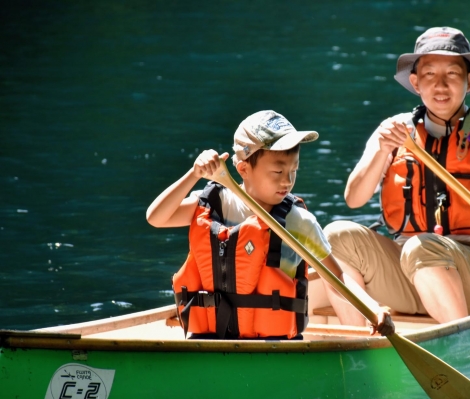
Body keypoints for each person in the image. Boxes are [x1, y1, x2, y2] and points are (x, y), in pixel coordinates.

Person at [323, 26, 470, 326]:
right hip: (409, 269)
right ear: (415, 82)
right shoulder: (395, 132)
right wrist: (380, 151)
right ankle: (361, 344)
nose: (440, 85)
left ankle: (459, 339)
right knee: (334, 237)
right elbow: (354, 199)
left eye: (452, 74)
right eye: (429, 75)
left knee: (421, 247)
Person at [146, 110, 393, 339]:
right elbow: (156, 217)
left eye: (294, 170)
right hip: (208, 341)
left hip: (275, 347)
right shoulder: (215, 204)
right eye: (278, 172)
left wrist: (372, 308)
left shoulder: (298, 222)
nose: (287, 181)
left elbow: (336, 278)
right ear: (243, 168)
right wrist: (194, 174)